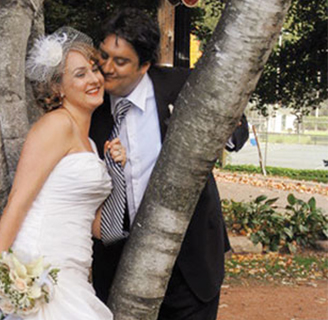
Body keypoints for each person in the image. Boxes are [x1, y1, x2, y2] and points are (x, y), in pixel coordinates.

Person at [90, 8, 249, 320]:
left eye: (120, 61)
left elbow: (238, 131)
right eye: (104, 56)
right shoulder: (89, 108)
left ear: (145, 65)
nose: (107, 68)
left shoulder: (183, 86)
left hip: (191, 263)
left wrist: (211, 128)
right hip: (120, 267)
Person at [0, 27, 125, 320]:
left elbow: (99, 228)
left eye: (93, 70)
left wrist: (119, 172)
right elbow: (18, 201)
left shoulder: (88, 143)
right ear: (58, 88)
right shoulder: (55, 126)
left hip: (73, 273)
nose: (94, 79)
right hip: (41, 267)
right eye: (80, 74)